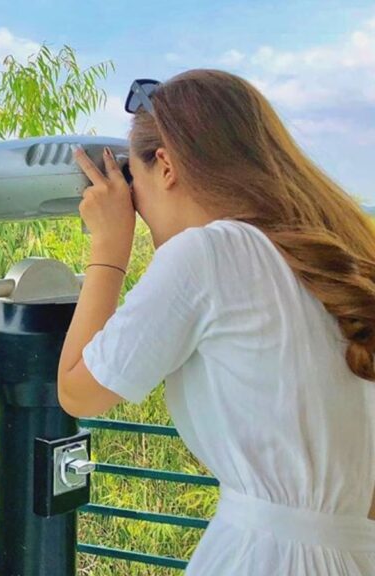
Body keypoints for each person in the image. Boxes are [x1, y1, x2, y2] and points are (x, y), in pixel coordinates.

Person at [56, 69, 375, 575]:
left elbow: (78, 392)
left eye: (136, 186)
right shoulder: (335, 254)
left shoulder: (210, 252)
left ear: (165, 166)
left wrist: (109, 247)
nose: (140, 211)